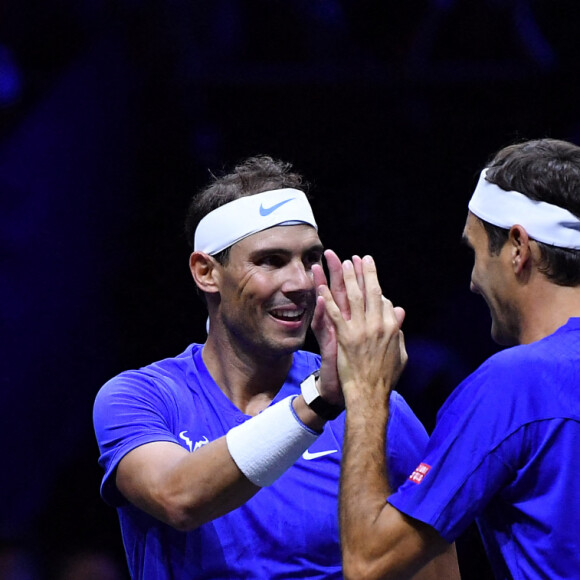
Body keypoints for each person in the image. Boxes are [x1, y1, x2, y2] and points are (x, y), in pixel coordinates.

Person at [93, 155, 459, 579]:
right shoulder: (142, 397)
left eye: (310, 259)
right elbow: (178, 498)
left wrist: (349, 396)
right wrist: (321, 399)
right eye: (270, 261)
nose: (301, 282)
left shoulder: (376, 407)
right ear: (206, 272)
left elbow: (436, 569)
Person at [319, 138, 580, 579]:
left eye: (475, 252)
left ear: (518, 247)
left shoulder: (515, 385)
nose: (474, 282)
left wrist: (364, 389)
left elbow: (369, 563)